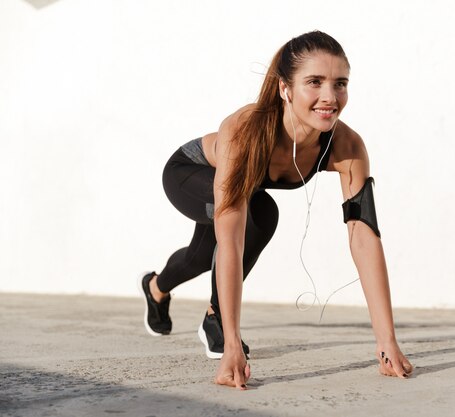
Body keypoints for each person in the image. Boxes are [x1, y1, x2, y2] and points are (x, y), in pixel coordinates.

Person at [139, 30, 414, 390]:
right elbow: (233, 239)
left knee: (203, 252)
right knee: (258, 216)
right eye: (314, 82)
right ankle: (216, 320)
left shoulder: (346, 145)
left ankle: (157, 287)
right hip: (189, 172)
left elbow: (364, 236)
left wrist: (386, 341)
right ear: (285, 88)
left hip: (248, 194)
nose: (329, 97)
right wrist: (232, 345)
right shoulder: (245, 131)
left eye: (340, 83)